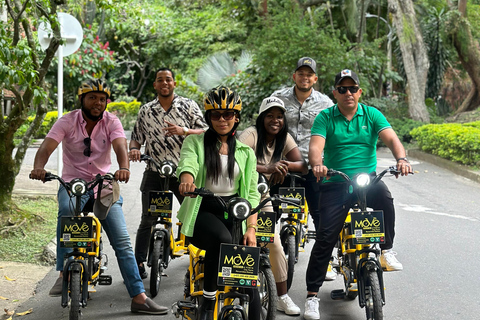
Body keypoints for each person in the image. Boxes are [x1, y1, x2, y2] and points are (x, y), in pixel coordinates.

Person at [30, 79, 168, 315]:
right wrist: (38, 166)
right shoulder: (67, 121)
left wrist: (123, 167)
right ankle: (63, 272)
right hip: (73, 183)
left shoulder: (111, 120)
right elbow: (48, 145)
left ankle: (138, 297)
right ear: (82, 99)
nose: (98, 103)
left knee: (122, 242)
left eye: (102, 99)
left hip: (103, 184)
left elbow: (120, 145)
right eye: (92, 97)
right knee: (65, 211)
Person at [303, 69, 412, 320]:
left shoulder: (371, 114)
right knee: (326, 236)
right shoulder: (326, 117)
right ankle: (311, 295)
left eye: (352, 88)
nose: (348, 93)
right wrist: (317, 164)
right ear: (335, 93)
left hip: (366, 179)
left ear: (359, 92)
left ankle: (387, 250)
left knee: (384, 198)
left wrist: (402, 159)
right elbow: (316, 146)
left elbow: (392, 139)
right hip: (336, 181)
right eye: (342, 89)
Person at [177, 86, 261, 320]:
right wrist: (187, 180)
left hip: (236, 210)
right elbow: (188, 163)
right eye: (216, 115)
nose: (222, 119)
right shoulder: (195, 142)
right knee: (222, 241)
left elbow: (252, 194)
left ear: (236, 117)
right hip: (203, 207)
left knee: (248, 266)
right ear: (208, 118)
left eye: (228, 114)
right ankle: (208, 299)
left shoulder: (245, 152)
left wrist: (252, 228)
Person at [128, 67, 207, 279]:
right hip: (155, 170)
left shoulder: (188, 106)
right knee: (147, 219)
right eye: (160, 80)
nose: (164, 83)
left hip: (183, 172)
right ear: (155, 84)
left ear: (174, 83)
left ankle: (198, 259)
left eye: (168, 79)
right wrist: (134, 148)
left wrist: (185, 131)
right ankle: (138, 263)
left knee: (193, 216)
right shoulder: (146, 110)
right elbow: (136, 137)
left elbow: (207, 131)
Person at [238, 96, 308, 316]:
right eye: (270, 115)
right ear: (261, 117)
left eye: (279, 116)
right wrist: (267, 168)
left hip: (261, 196)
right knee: (239, 243)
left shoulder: (283, 138)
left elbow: (303, 166)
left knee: (274, 244)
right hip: (239, 197)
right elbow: (234, 160)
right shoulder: (251, 135)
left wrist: (282, 165)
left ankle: (282, 297)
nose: (275, 120)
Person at [271, 57, 337, 281]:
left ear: (315, 79)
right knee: (270, 212)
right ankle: (265, 256)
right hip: (282, 166)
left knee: (321, 216)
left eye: (309, 74)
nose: (305, 77)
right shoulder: (278, 98)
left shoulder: (326, 103)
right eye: (301, 73)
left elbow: (333, 133)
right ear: (294, 76)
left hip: (312, 167)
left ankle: (325, 262)